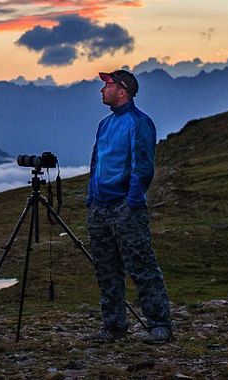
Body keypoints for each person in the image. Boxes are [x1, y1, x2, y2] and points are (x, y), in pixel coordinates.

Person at [85, 69, 172, 344]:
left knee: (141, 266)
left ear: (122, 90)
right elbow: (96, 163)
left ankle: (160, 325)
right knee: (106, 269)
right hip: (100, 207)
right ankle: (114, 328)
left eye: (106, 85)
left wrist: (132, 201)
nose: (102, 90)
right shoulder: (105, 124)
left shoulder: (139, 123)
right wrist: (91, 199)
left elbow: (143, 167)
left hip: (125, 207)